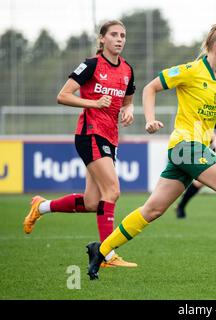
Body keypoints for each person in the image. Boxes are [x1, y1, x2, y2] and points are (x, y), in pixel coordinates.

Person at [86, 24, 216, 280]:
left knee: (152, 210)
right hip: (185, 146)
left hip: (193, 150)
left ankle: (101, 250)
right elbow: (149, 88)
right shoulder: (191, 70)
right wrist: (150, 120)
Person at [23, 20, 137, 268]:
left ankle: (40, 207)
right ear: (102, 39)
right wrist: (94, 104)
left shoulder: (127, 70)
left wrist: (129, 110)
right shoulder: (91, 65)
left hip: (110, 137)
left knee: (92, 203)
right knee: (113, 191)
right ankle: (106, 254)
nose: (119, 39)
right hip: (90, 133)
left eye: (123, 35)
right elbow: (62, 95)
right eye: (114, 35)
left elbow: (128, 100)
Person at [175, 101, 216, 219]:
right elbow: (204, 123)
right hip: (210, 142)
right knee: (200, 182)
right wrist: (214, 139)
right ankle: (181, 206)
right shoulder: (213, 100)